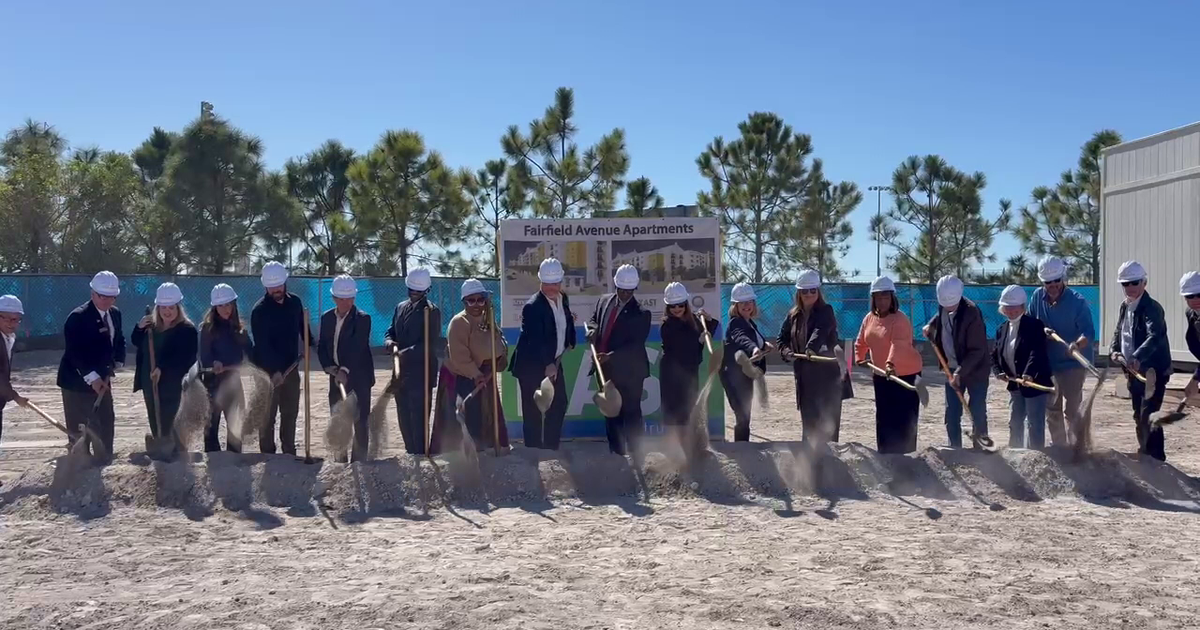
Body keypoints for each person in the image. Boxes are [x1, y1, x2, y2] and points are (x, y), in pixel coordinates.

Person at [434, 278, 509, 454]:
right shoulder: (459, 322)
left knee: (486, 414)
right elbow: (459, 355)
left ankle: (486, 447)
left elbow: (498, 343)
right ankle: (465, 452)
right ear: (464, 301)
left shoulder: (488, 319)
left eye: (480, 300)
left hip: (484, 375)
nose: (476, 304)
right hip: (462, 376)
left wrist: (499, 358)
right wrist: (475, 374)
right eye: (471, 300)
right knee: (468, 414)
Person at [1028, 255, 1096, 447]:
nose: (1053, 285)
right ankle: (1059, 446)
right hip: (1049, 363)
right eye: (1048, 282)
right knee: (1052, 407)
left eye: (1056, 280)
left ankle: (1077, 446)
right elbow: (1030, 324)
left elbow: (1088, 332)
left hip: (1073, 363)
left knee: (1073, 408)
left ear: (1063, 278)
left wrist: (1077, 345)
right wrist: (1040, 331)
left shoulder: (1077, 301)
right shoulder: (1036, 298)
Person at [57, 271, 125, 458]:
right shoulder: (77, 317)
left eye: (111, 297)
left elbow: (119, 339)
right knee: (79, 424)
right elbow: (75, 352)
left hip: (103, 377)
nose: (106, 301)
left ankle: (104, 457)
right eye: (102, 296)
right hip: (76, 381)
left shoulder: (115, 314)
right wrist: (92, 378)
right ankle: (80, 460)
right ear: (92, 294)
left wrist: (117, 361)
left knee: (105, 419)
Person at [509, 258, 576, 449]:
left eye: (555, 283)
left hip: (553, 360)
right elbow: (535, 339)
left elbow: (566, 321)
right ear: (540, 281)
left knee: (559, 403)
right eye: (548, 284)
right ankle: (534, 449)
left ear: (561, 281)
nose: (552, 288)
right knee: (533, 410)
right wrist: (548, 364)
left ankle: (550, 447)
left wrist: (570, 340)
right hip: (531, 365)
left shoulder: (563, 298)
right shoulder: (532, 306)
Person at [1109, 261, 1171, 461]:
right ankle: (1145, 453)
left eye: (1134, 283)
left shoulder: (1152, 308)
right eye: (1125, 284)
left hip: (1153, 370)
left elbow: (1154, 336)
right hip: (1133, 371)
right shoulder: (1125, 306)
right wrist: (1114, 350)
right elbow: (1119, 331)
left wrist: (1137, 356)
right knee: (1139, 415)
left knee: (1149, 415)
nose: (1130, 287)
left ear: (1144, 282)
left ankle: (1156, 459)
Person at [586, 264, 651, 457]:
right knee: (611, 412)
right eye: (621, 290)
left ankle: (637, 454)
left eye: (629, 291)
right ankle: (616, 453)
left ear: (635, 288)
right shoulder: (604, 301)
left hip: (630, 372)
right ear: (615, 285)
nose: (625, 294)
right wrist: (592, 330)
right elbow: (594, 320)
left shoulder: (641, 313)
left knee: (631, 413)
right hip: (605, 369)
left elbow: (635, 345)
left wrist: (610, 356)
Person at [854, 276, 922, 454]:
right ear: (873, 299)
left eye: (885, 296)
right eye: (878, 297)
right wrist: (859, 357)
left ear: (892, 298)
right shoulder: (869, 318)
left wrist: (890, 364)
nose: (882, 301)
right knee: (884, 415)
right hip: (881, 375)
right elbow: (861, 341)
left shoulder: (900, 319)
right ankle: (885, 454)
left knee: (904, 417)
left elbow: (898, 344)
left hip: (906, 374)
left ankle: (906, 456)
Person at [250, 262, 313, 455]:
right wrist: (275, 371)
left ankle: (288, 451)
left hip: (291, 367)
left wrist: (309, 342)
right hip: (266, 372)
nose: (276, 290)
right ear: (265, 286)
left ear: (285, 282)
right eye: (272, 287)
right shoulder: (259, 311)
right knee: (267, 415)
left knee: (290, 412)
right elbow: (263, 346)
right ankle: (268, 453)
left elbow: (303, 327)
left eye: (278, 285)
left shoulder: (295, 303)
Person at [923, 275, 990, 448]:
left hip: (975, 370)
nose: (948, 308)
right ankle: (955, 448)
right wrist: (931, 325)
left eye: (951, 305)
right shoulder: (944, 303)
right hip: (951, 367)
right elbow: (941, 316)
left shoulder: (972, 313)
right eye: (945, 305)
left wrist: (960, 372)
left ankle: (981, 448)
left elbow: (977, 350)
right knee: (952, 412)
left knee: (977, 410)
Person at [778, 270, 843, 444]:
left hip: (827, 378)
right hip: (804, 378)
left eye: (812, 290)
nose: (809, 294)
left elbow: (821, 330)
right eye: (804, 291)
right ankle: (808, 458)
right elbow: (781, 339)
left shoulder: (826, 311)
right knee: (809, 425)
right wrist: (786, 352)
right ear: (799, 293)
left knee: (827, 425)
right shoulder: (793, 315)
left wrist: (811, 348)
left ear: (818, 291)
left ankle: (829, 458)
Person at [130, 283, 198, 449]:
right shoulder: (150, 327)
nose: (167, 311)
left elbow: (184, 356)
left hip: (173, 383)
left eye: (171, 307)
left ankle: (175, 449)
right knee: (154, 415)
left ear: (178, 308)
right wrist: (139, 328)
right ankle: (159, 443)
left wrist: (162, 368)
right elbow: (136, 342)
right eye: (163, 308)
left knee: (172, 417)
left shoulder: (187, 330)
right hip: (150, 380)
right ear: (158, 308)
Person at [384, 266, 442, 455]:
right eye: (412, 290)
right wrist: (389, 341)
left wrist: (404, 353)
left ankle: (421, 453)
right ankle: (410, 452)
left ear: (426, 290)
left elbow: (429, 344)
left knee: (419, 418)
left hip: (421, 373)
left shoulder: (431, 311)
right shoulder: (400, 307)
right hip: (400, 372)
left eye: (418, 291)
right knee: (403, 415)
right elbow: (391, 330)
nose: (414, 294)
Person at [318, 275, 374, 462]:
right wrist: (331, 368)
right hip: (336, 377)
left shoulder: (362, 319)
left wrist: (345, 370)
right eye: (342, 299)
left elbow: (357, 347)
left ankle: (359, 461)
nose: (346, 303)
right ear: (334, 298)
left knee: (360, 420)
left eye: (350, 298)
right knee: (338, 419)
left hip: (359, 378)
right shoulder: (327, 318)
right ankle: (339, 461)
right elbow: (323, 346)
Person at [659, 282, 719, 457]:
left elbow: (710, 328)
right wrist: (698, 340)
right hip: (672, 374)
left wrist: (707, 320)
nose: (677, 309)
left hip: (689, 372)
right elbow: (682, 346)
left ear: (686, 304)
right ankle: (679, 451)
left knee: (690, 408)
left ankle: (692, 448)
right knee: (675, 411)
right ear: (668, 307)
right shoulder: (667, 325)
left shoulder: (693, 320)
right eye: (673, 306)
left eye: (680, 305)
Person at [991, 285, 1054, 449]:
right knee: (1015, 421)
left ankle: (1036, 455)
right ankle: (1015, 453)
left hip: (1034, 383)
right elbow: (995, 354)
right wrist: (998, 371)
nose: (1011, 311)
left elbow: (1037, 351)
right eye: (1007, 307)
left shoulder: (1034, 325)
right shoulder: (1001, 329)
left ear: (1022, 307)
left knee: (1034, 422)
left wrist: (1029, 373)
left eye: (1014, 307)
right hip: (1015, 384)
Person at [200, 283, 253, 453]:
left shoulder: (239, 329)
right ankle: (213, 457)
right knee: (211, 426)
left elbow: (250, 352)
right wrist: (213, 362)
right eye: (221, 305)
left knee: (235, 424)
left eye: (229, 304)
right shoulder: (207, 329)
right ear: (214, 307)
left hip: (233, 382)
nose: (226, 309)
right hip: (212, 383)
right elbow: (204, 355)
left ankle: (234, 457)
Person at [720, 281, 771, 442]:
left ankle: (743, 445)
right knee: (742, 415)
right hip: (733, 375)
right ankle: (741, 447)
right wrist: (754, 348)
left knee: (744, 415)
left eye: (749, 302)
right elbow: (742, 338)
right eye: (742, 302)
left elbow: (752, 337)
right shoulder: (735, 323)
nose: (747, 305)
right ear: (735, 305)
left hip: (745, 375)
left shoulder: (749, 323)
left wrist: (764, 345)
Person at [0, 295, 29, 445]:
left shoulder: (8, 337)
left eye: (16, 319)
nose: (12, 323)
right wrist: (14, 396)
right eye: (7, 318)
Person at [1178, 271, 1200, 400]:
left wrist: (1195, 379)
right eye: (1191, 296)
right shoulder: (1191, 313)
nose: (1196, 299)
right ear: (1185, 298)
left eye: (1199, 295)